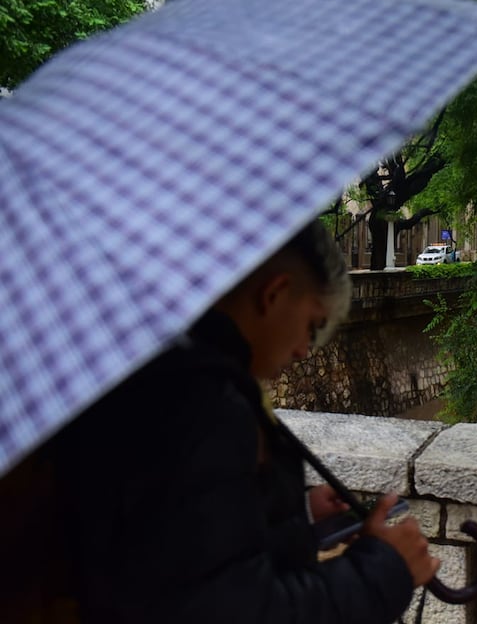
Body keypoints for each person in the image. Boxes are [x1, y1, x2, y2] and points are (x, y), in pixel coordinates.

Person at [51, 221, 439, 623]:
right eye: (311, 325)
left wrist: (295, 514)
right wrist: (382, 570)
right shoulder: (203, 407)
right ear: (274, 293)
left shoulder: (157, 376)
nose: (307, 351)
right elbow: (231, 607)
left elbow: (182, 551)